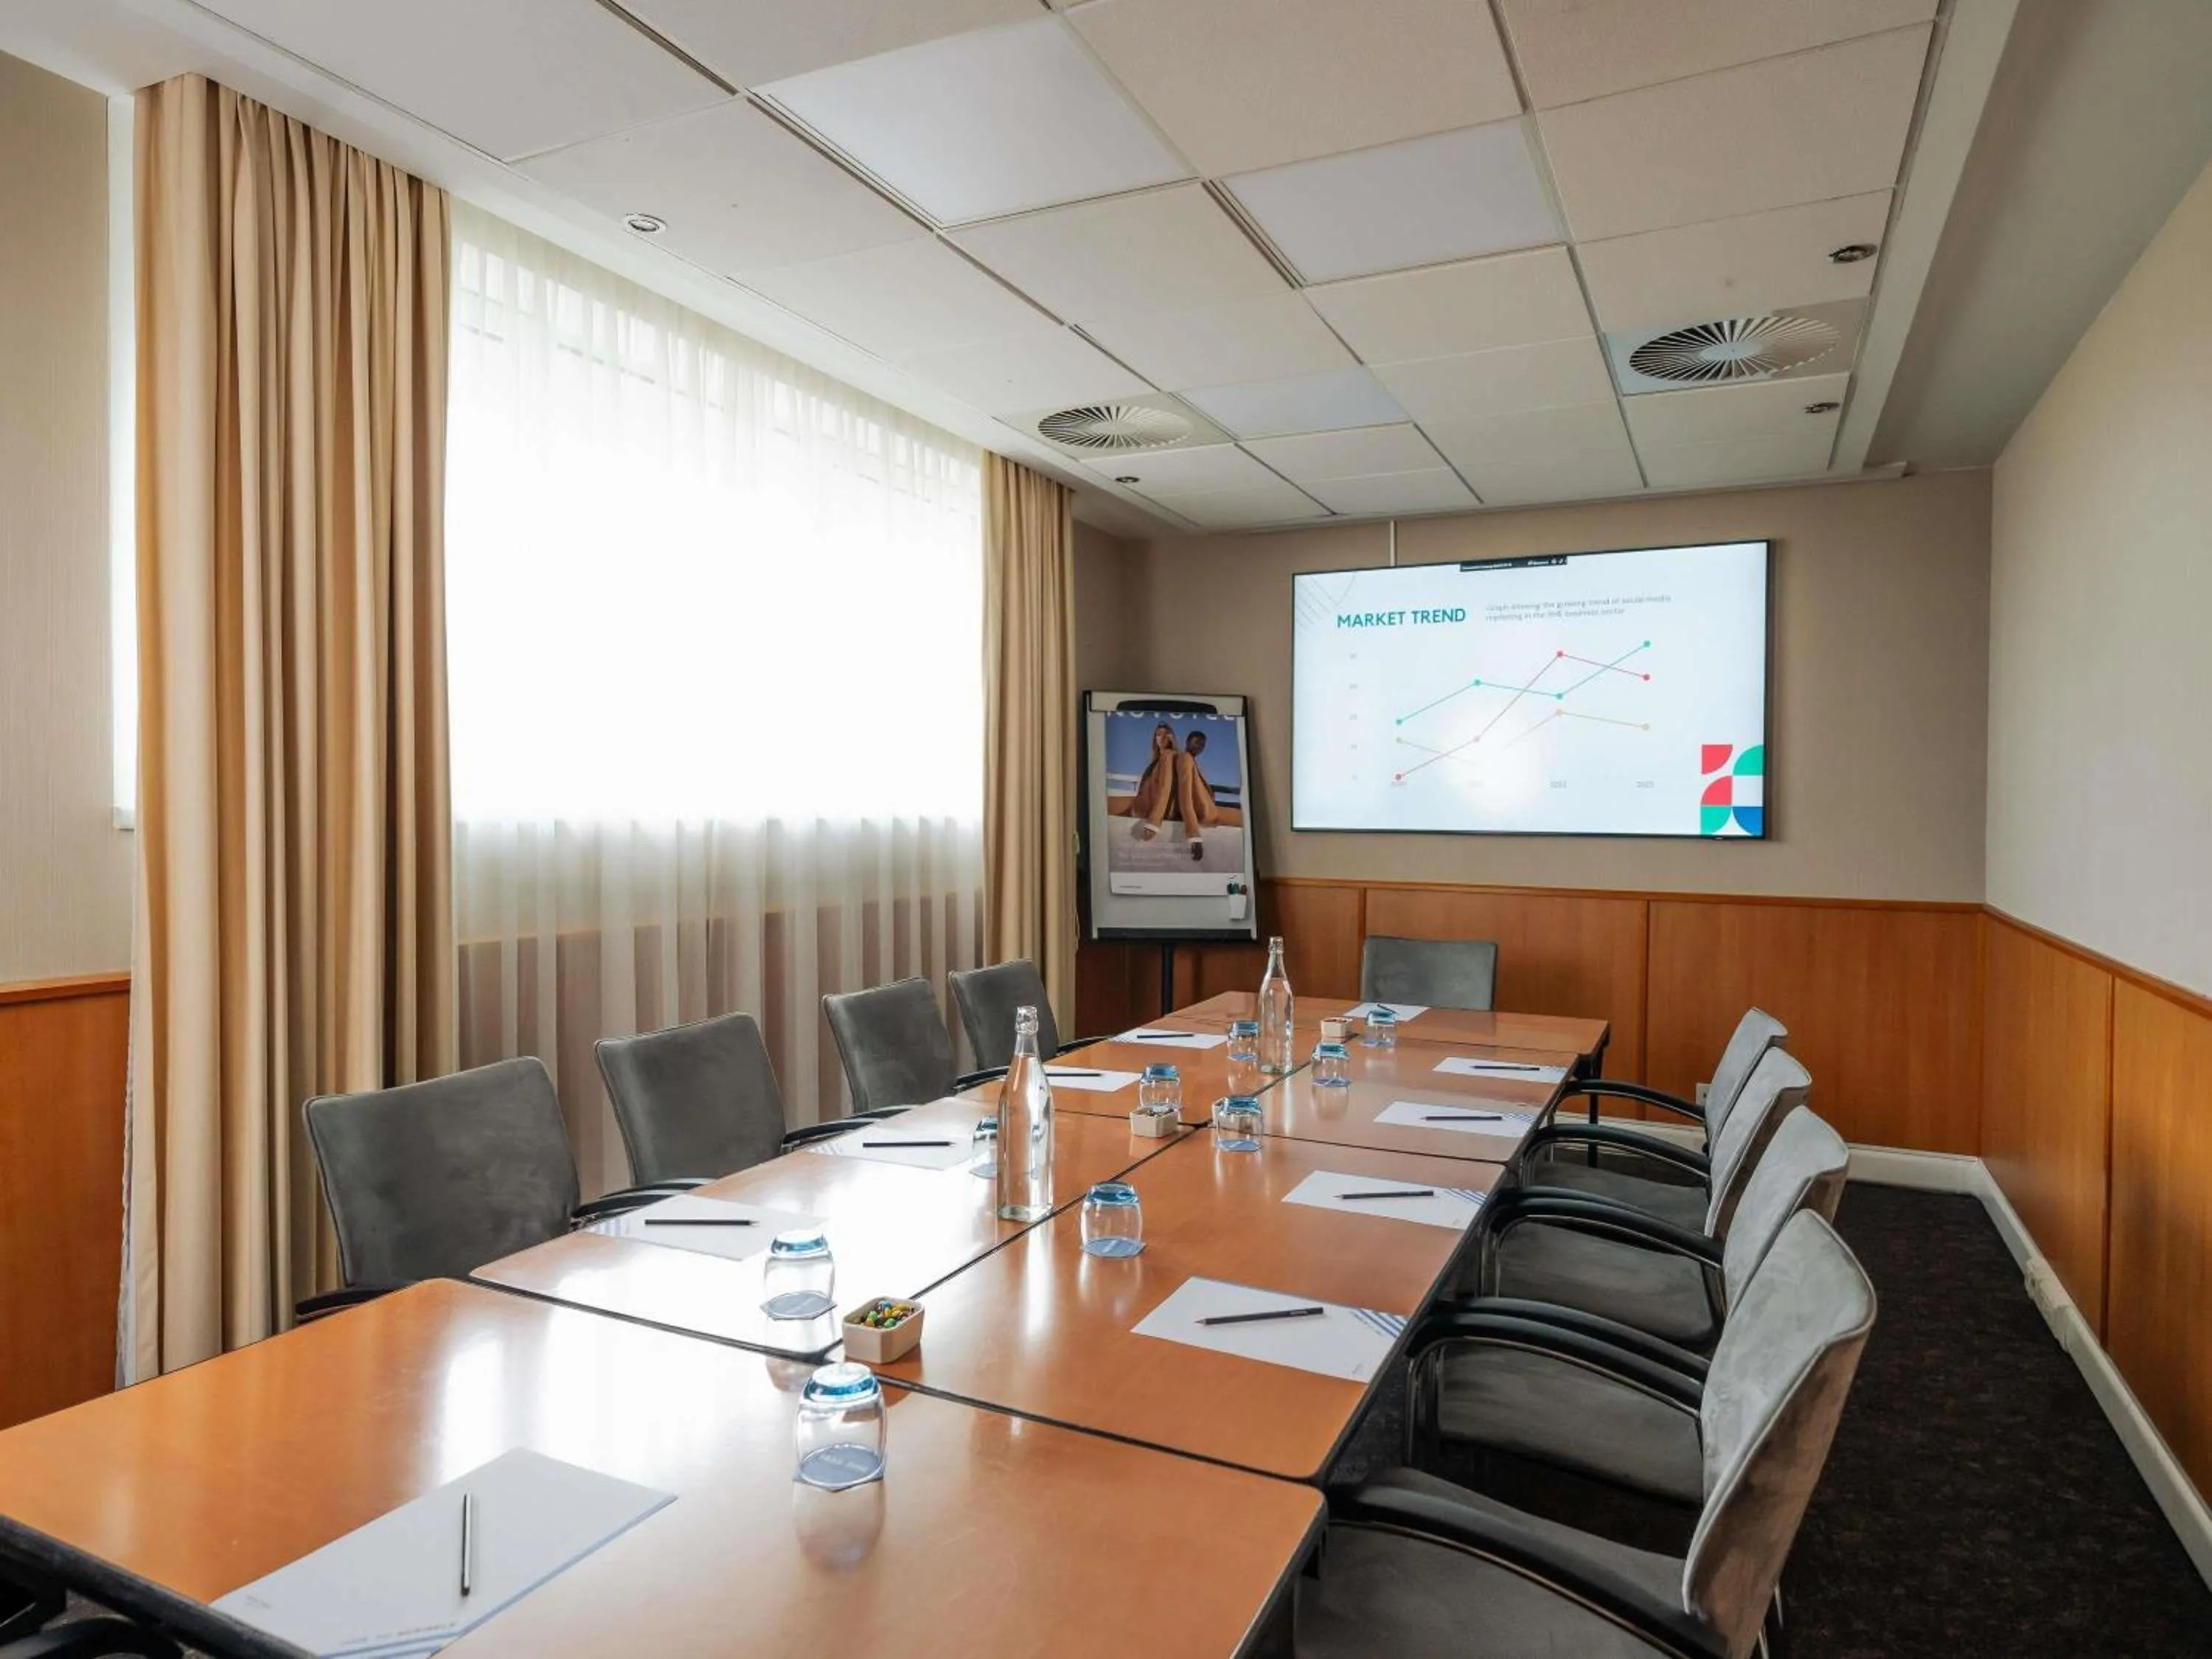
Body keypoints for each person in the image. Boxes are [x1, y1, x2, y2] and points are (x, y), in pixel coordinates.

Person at [1129, 723, 1179, 841]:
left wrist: (1154, 822)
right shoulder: (1156, 761)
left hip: (1150, 808)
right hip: (1141, 803)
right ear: (1155, 739)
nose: (1162, 738)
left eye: (1166, 735)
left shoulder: (1169, 755)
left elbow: (1165, 787)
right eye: (1159, 735)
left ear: (1171, 738)